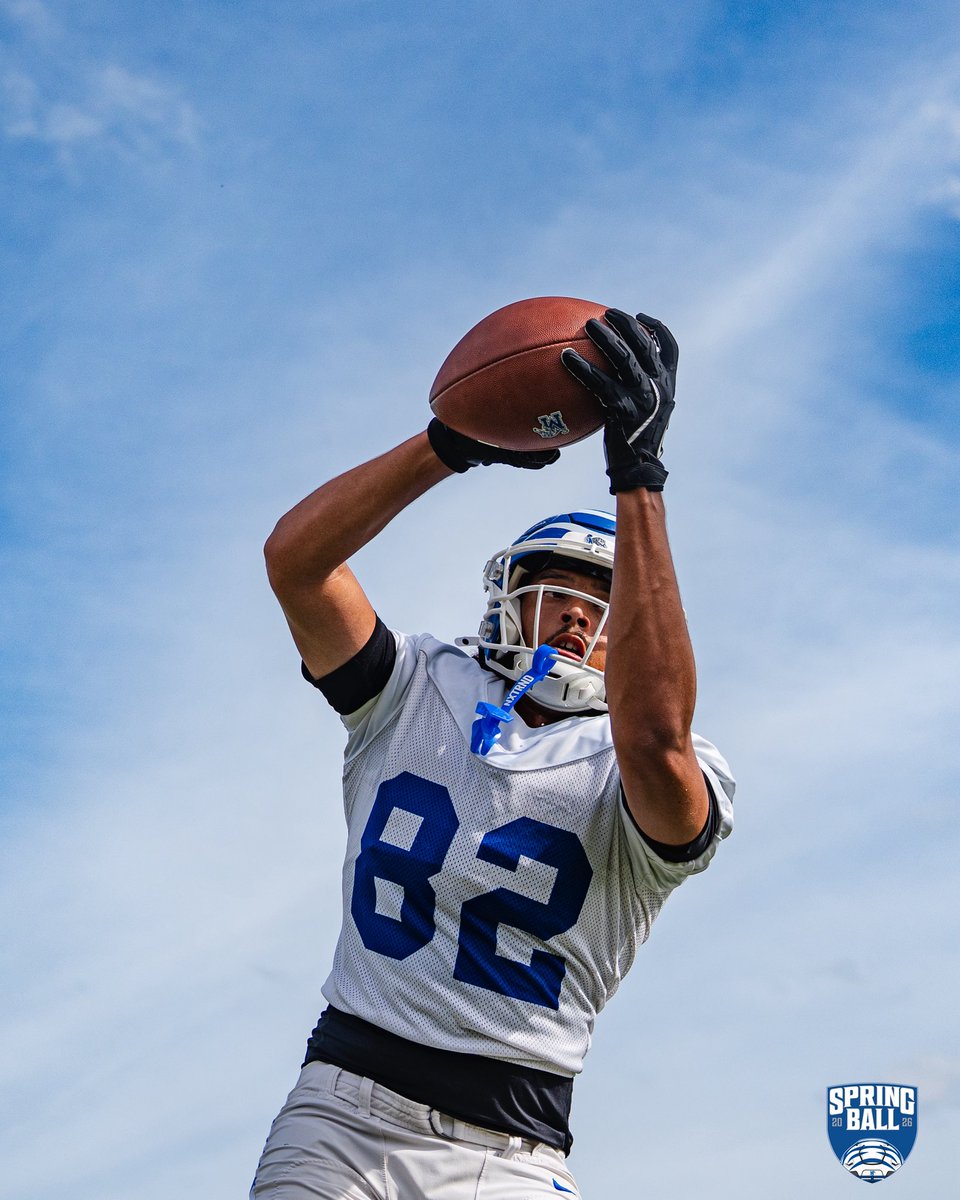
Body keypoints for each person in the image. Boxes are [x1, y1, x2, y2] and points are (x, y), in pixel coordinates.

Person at [251, 309, 735, 1199]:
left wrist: (640, 477)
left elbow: (655, 739)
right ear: (510, 598)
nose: (582, 613)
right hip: (340, 1115)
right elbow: (297, 561)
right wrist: (448, 442)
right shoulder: (416, 686)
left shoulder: (665, 759)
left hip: (509, 1155)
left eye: (608, 597)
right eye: (561, 589)